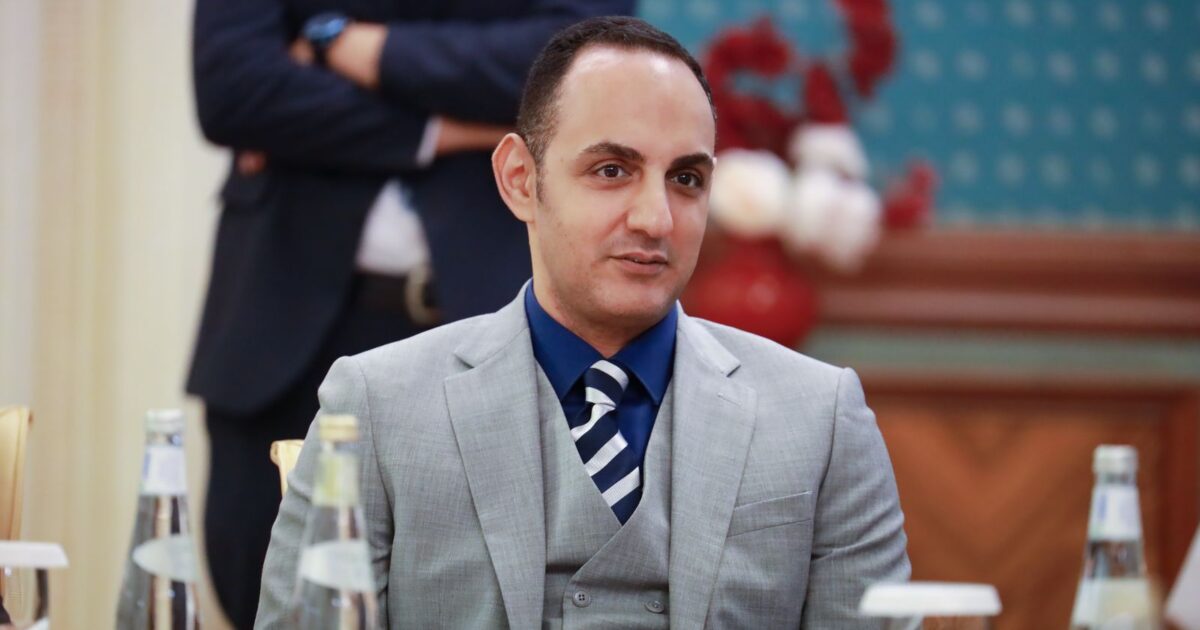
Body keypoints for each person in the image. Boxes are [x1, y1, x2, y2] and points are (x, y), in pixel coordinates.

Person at [256, 16, 910, 628]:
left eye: (686, 178)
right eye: (611, 170)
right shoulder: (378, 406)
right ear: (520, 180)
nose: (656, 219)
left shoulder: (822, 420)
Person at [187, 1, 631, 627]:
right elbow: (234, 88)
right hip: (286, 327)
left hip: (494, 317)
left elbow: (578, 68)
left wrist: (345, 45)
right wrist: (453, 128)